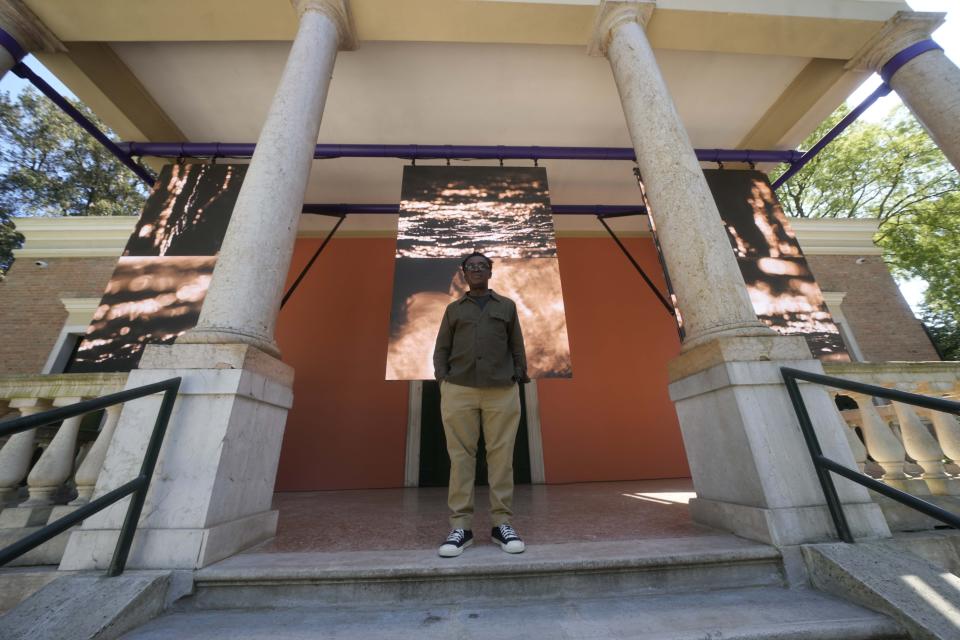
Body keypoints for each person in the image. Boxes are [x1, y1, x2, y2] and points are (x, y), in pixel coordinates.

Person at [432, 251, 530, 557]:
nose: (476, 270)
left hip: (501, 389)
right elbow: (441, 348)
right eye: (471, 266)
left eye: (482, 266)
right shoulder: (453, 310)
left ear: (490, 271)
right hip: (459, 389)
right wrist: (443, 380)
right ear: (463, 273)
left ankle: (502, 524)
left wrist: (517, 374)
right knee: (461, 458)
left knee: (501, 458)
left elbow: (517, 346)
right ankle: (461, 527)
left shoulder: (508, 307)